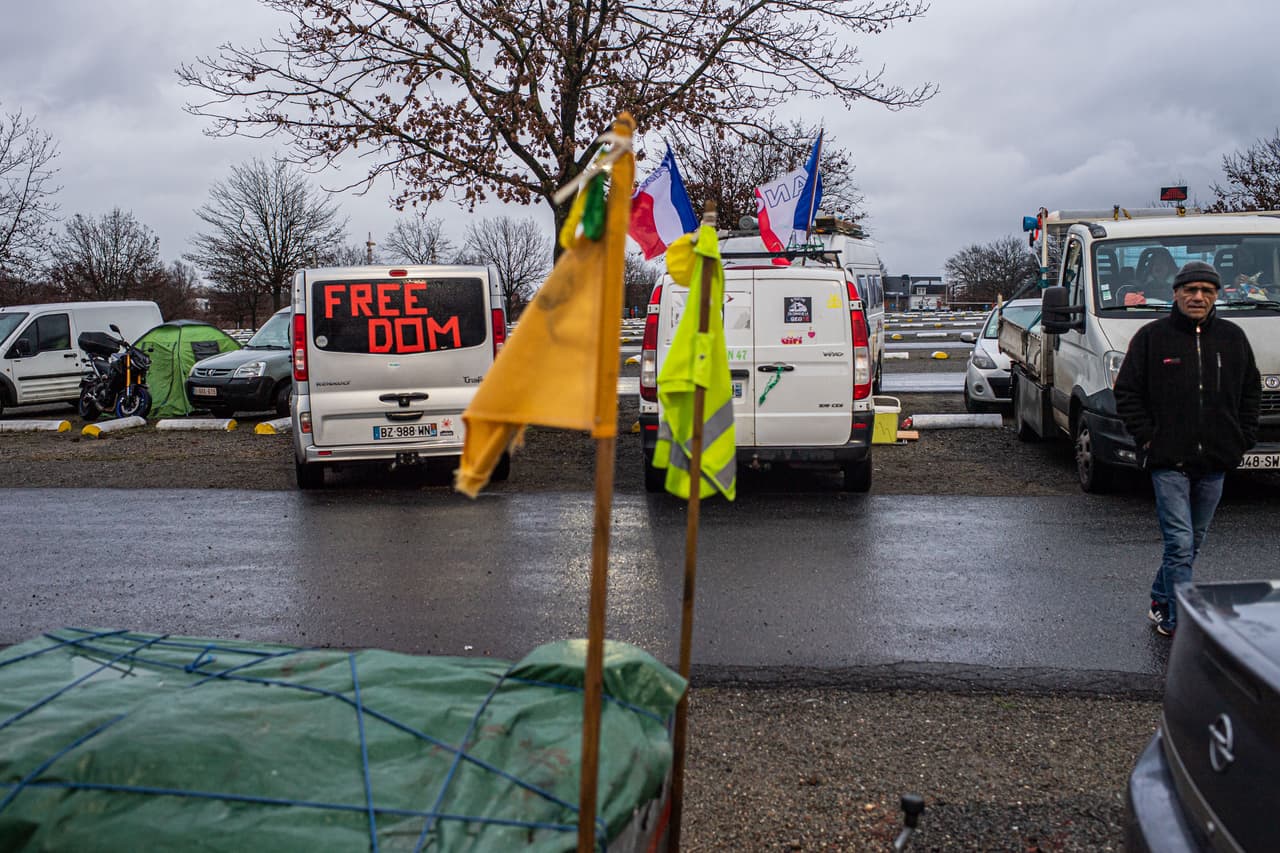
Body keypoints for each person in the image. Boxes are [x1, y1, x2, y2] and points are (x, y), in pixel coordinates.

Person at [1114, 261, 1261, 637]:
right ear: (1176, 293)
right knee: (1179, 542)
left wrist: (1242, 437)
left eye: (1207, 291)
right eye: (1191, 290)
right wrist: (1148, 436)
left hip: (1215, 459)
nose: (1198, 297)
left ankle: (1161, 599)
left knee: (1193, 540)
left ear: (1216, 296)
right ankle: (1179, 622)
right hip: (1168, 460)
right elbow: (1127, 392)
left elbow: (1250, 391)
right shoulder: (1151, 338)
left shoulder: (1232, 338)